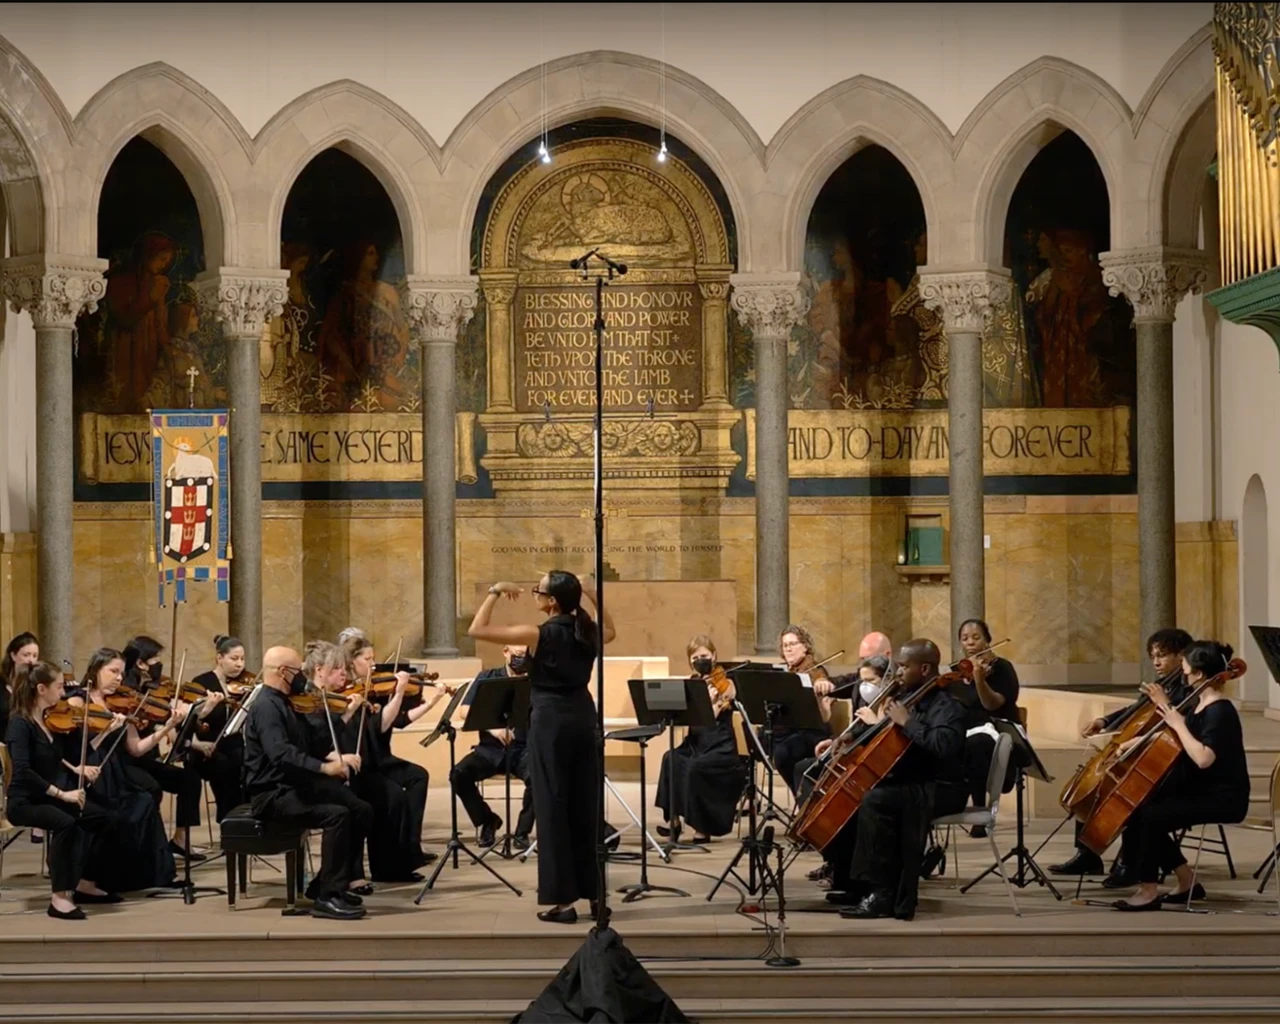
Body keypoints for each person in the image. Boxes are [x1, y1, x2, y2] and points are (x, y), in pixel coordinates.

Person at [467, 570, 615, 924]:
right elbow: (611, 631)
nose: (535, 595)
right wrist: (592, 594)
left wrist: (495, 590)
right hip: (583, 717)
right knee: (586, 805)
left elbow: (477, 630)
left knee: (552, 806)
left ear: (550, 601)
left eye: (539, 591)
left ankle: (562, 903)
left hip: (549, 721)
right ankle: (595, 896)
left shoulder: (538, 633)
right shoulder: (586, 629)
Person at [820, 639, 967, 921]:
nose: (897, 672)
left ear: (924, 669)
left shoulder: (947, 704)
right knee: (856, 796)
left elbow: (944, 745)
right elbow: (885, 735)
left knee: (876, 801)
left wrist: (908, 723)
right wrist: (851, 736)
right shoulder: (911, 697)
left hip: (940, 786)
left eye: (903, 666)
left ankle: (883, 894)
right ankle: (856, 884)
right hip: (911, 779)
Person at [1109, 640, 1250, 910]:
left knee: (1150, 816)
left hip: (1222, 797)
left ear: (1198, 674)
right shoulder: (1197, 703)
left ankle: (1149, 891)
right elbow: (1174, 739)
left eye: (1185, 670)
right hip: (1198, 789)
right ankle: (1187, 882)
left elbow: (1203, 758)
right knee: (1139, 809)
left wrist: (1178, 722)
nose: (1183, 675)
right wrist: (1136, 743)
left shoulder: (1221, 711)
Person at [1049, 627, 1193, 881]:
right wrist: (1104, 721)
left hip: (1172, 765)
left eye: (1163, 655)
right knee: (1093, 786)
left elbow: (1181, 727)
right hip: (1144, 754)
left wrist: (1161, 704)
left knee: (1131, 795)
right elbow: (1136, 709)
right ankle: (1087, 855)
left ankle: (1130, 863)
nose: (1157, 662)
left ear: (1181, 655)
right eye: (1153, 656)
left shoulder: (1187, 689)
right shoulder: (1161, 684)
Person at [241, 645, 369, 920]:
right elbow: (281, 754)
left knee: (361, 810)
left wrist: (332, 719)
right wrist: (325, 767)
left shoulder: (289, 701)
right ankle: (327, 897)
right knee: (337, 816)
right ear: (283, 672)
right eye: (298, 671)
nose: (303, 677)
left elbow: (313, 742)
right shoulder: (266, 707)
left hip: (295, 785)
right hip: (273, 794)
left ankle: (326, 883)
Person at [3, 661, 120, 919]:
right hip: (25, 802)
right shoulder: (19, 725)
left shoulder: (49, 720)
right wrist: (61, 793)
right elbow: (23, 771)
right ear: (41, 689)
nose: (64, 693)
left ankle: (83, 882)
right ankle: (59, 898)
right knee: (66, 822)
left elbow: (61, 757)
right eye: (59, 687)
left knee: (105, 818)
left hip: (50, 795)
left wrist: (78, 766)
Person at [65, 649, 179, 893]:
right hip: (90, 775)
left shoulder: (121, 704)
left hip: (116, 774)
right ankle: (100, 879)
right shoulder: (77, 701)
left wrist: (167, 726)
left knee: (145, 801)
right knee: (122, 812)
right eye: (113, 671)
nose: (119, 678)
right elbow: (74, 749)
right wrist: (107, 729)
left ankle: (142, 877)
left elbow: (136, 748)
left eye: (121, 673)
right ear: (96, 670)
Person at [342, 633, 438, 869]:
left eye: (373, 658)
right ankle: (397, 857)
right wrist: (398, 693)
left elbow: (400, 720)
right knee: (394, 794)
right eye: (367, 659)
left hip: (380, 757)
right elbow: (382, 724)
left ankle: (411, 845)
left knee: (418, 776)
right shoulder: (348, 693)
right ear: (352, 662)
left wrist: (433, 700)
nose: (373, 665)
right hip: (366, 763)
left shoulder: (373, 688)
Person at [121, 634, 207, 861]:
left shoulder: (151, 688)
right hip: (125, 761)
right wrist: (168, 724)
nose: (159, 665)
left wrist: (192, 714)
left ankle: (180, 840)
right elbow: (134, 745)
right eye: (155, 659)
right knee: (152, 789)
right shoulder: (126, 692)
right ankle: (152, 850)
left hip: (146, 759)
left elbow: (166, 714)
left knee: (189, 779)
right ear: (140, 663)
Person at [655, 635, 748, 843]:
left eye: (704, 655)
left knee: (696, 768)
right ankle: (674, 821)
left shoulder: (726, 682)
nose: (700, 660)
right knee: (670, 758)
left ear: (714, 656)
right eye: (695, 657)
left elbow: (727, 698)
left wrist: (713, 703)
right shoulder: (693, 683)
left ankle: (701, 828)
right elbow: (687, 715)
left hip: (720, 746)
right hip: (695, 742)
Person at [452, 644, 536, 849]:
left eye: (525, 656)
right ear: (505, 652)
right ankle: (487, 820)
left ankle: (522, 832)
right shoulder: (487, 677)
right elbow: (464, 710)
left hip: (523, 749)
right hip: (490, 750)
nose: (521, 660)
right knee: (458, 774)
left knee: (538, 777)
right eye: (516, 655)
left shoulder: (534, 680)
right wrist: (493, 728)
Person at [953, 619, 1020, 836]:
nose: (970, 642)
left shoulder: (1002, 669)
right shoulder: (958, 671)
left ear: (987, 640)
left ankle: (981, 813)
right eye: (964, 638)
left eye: (976, 637)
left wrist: (979, 680)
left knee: (976, 743)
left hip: (997, 734)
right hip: (967, 731)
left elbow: (992, 704)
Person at [186, 634, 248, 823]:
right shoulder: (202, 682)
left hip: (233, 746)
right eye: (234, 658)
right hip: (205, 748)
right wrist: (207, 708)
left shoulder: (243, 684)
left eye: (242, 659)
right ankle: (228, 819)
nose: (240, 664)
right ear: (219, 658)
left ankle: (246, 818)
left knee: (249, 762)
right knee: (225, 767)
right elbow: (190, 722)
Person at [770, 625, 834, 795]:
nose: (788, 649)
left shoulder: (815, 669)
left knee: (783, 754)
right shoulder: (785, 672)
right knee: (760, 737)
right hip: (789, 730)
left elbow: (821, 680)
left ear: (805, 647)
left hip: (812, 731)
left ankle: (803, 799)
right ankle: (801, 796)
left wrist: (822, 684)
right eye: (785, 645)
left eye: (793, 644)